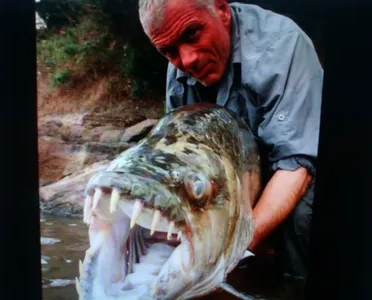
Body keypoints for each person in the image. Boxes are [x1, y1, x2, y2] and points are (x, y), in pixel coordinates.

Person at [138, 0, 323, 279]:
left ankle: (294, 284)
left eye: (192, 34)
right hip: (238, 175)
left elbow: (296, 166)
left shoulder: (283, 46)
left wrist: (230, 253)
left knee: (301, 215)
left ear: (222, 10)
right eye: (169, 51)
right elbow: (179, 158)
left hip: (295, 167)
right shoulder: (177, 70)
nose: (186, 61)